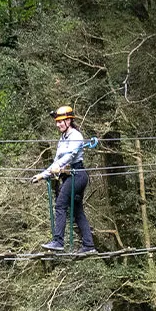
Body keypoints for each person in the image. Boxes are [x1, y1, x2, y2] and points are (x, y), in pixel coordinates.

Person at [34, 105, 96, 253]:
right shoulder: (63, 138)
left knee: (60, 205)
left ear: (69, 121)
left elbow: (70, 156)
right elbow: (57, 160)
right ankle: (89, 245)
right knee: (77, 212)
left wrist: (57, 167)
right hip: (70, 176)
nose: (58, 124)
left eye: (61, 121)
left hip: (77, 175)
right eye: (57, 122)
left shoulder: (76, 136)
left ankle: (58, 241)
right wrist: (44, 174)